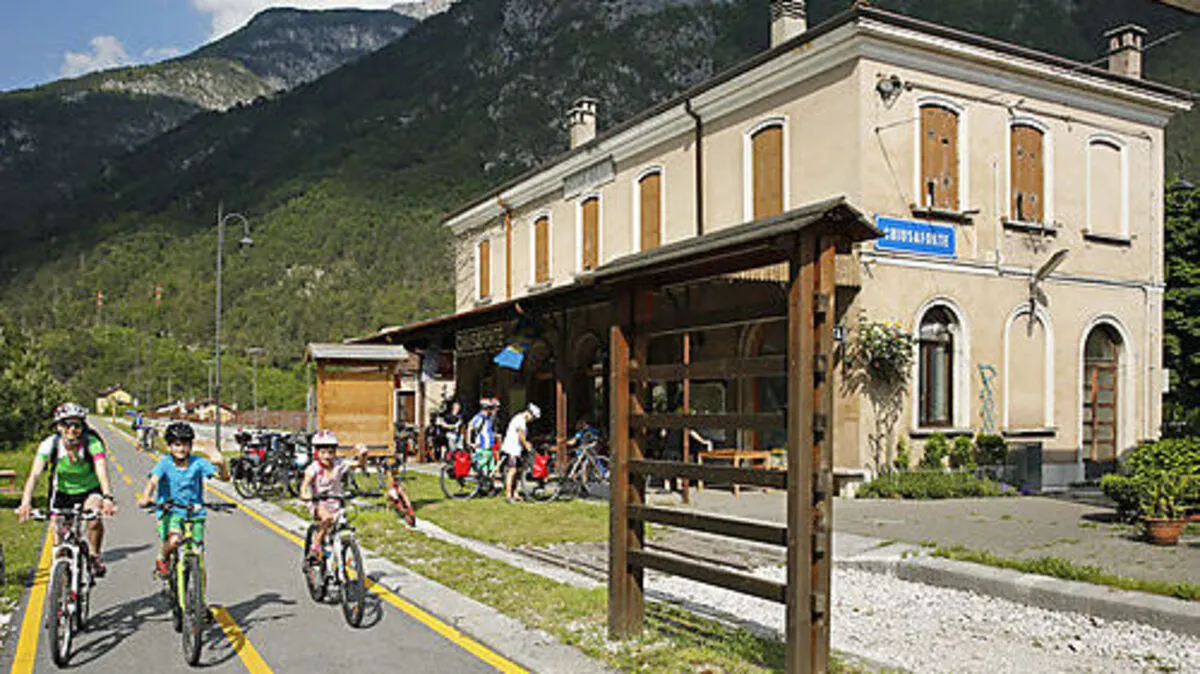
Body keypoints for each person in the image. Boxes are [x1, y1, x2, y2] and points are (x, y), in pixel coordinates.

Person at [16, 403, 117, 577]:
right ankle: (62, 584)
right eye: (66, 424)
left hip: (89, 490)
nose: (71, 429)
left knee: (93, 519)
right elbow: (34, 475)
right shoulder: (50, 444)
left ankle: (94, 556)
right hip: (61, 493)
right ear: (58, 426)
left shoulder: (92, 443)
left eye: (76, 425)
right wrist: (26, 502)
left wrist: (107, 497)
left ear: (82, 427)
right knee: (58, 536)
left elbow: (101, 470)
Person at [137, 421, 230, 577]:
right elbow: (153, 480)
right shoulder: (164, 463)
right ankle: (162, 558)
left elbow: (224, 478)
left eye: (185, 444)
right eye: (176, 444)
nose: (181, 449)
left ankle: (198, 596)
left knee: (197, 551)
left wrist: (221, 463)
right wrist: (146, 497)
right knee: (174, 540)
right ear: (169, 446)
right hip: (171, 510)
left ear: (190, 446)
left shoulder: (198, 463)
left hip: (195, 511)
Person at [299, 430, 367, 561]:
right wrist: (304, 494)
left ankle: (337, 551)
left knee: (342, 525)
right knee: (327, 518)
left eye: (330, 452)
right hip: (319, 503)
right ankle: (315, 547)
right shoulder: (313, 468)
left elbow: (359, 464)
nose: (327, 456)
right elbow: (305, 485)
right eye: (323, 452)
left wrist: (363, 454)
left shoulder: (338, 464)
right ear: (316, 453)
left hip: (336, 501)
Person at [500, 403, 540, 503]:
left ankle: (515, 493)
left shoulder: (522, 420)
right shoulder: (519, 420)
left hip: (517, 450)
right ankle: (508, 495)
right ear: (529, 414)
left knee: (518, 471)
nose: (532, 420)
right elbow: (521, 436)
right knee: (512, 471)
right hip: (511, 449)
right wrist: (527, 446)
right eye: (532, 418)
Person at [466, 398, 498, 478]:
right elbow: (470, 426)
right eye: (490, 408)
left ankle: (485, 486)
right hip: (482, 446)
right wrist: (469, 441)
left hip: (488, 447)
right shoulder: (480, 417)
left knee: (490, 470)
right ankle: (480, 486)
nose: (492, 410)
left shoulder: (488, 418)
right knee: (482, 469)